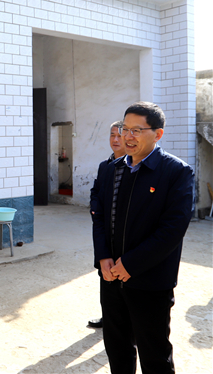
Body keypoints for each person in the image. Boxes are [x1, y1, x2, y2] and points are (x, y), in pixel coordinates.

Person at [92, 102, 194, 374]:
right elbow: (99, 216)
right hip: (111, 276)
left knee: (154, 355)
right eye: (125, 129)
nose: (127, 136)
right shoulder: (111, 169)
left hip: (150, 281)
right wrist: (103, 256)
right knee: (117, 349)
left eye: (137, 130)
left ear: (157, 134)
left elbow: (172, 229)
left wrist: (131, 264)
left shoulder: (176, 172)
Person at [88, 120, 126, 329]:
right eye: (112, 135)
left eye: (119, 135)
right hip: (106, 231)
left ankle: (129, 327)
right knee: (106, 276)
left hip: (125, 233)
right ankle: (108, 318)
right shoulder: (105, 165)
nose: (115, 139)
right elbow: (96, 192)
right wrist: (96, 209)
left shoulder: (133, 167)